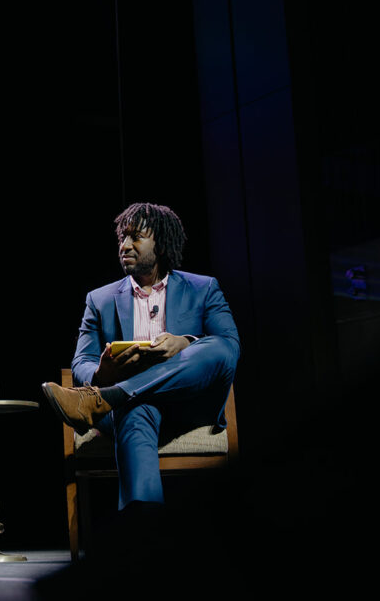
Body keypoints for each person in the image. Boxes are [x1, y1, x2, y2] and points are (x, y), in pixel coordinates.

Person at [41, 202, 239, 515]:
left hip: (189, 404)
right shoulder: (99, 300)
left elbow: (230, 347)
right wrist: (101, 374)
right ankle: (144, 525)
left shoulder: (203, 288)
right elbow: (81, 364)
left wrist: (185, 342)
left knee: (218, 347)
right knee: (134, 411)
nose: (124, 245)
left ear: (161, 244)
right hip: (135, 409)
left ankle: (109, 397)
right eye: (122, 237)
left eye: (136, 237)